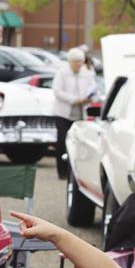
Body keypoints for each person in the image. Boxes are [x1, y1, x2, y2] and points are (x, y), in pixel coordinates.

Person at [52, 47, 97, 179]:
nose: (78, 64)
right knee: (61, 143)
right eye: (76, 61)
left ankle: (76, 172)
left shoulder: (87, 73)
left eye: (80, 61)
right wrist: (74, 100)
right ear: (70, 61)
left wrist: (89, 98)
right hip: (63, 114)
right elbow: (57, 91)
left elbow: (94, 91)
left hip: (80, 115)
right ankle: (62, 172)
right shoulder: (62, 73)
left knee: (78, 145)